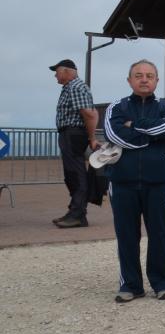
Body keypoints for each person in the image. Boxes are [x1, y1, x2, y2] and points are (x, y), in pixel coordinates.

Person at [102, 60, 165, 301]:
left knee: (160, 233)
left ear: (156, 80)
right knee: (126, 234)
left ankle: (163, 283)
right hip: (122, 181)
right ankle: (130, 285)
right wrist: (150, 136)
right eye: (138, 75)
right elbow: (114, 134)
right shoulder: (116, 107)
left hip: (158, 181)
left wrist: (134, 125)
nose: (144, 79)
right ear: (129, 80)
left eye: (149, 75)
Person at [49, 58, 98, 228]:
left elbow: (89, 114)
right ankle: (75, 212)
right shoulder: (72, 87)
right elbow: (94, 113)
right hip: (69, 134)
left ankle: (78, 215)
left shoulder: (76, 87)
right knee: (72, 174)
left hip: (73, 134)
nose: (55, 75)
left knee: (76, 174)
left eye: (57, 71)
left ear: (67, 71)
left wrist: (92, 138)